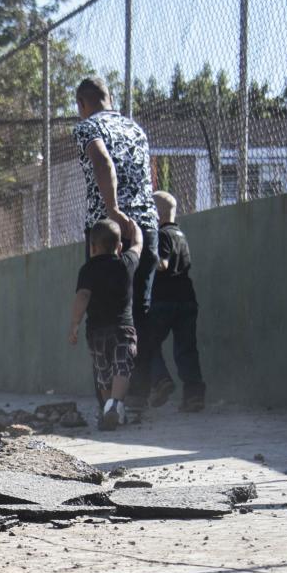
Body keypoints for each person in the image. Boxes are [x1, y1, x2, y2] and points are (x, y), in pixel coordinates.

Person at [72, 77, 155, 265]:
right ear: (111, 98)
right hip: (145, 226)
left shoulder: (88, 127)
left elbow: (103, 162)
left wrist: (113, 210)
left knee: (101, 293)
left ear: (81, 103)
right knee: (141, 295)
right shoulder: (136, 129)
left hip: (107, 231)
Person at [139, 191, 206, 412]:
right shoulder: (180, 235)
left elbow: (163, 264)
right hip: (187, 299)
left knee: (146, 342)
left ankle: (160, 380)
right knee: (186, 348)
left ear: (156, 213)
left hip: (165, 299)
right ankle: (194, 395)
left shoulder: (162, 235)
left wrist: (145, 258)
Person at [69, 222, 137, 430]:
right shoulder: (125, 263)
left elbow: (83, 296)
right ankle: (115, 406)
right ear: (119, 247)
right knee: (121, 367)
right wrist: (135, 230)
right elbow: (139, 246)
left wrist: (74, 324)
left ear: (93, 247)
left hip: (96, 332)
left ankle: (108, 408)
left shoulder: (87, 269)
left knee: (103, 373)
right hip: (122, 328)